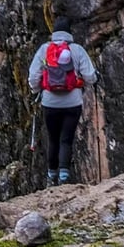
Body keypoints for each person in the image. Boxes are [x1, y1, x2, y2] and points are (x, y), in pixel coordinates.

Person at [28, 16, 98, 185]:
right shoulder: (77, 50)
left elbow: (33, 76)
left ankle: (51, 176)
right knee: (66, 139)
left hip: (50, 103)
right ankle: (64, 176)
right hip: (73, 103)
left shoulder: (45, 49)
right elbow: (89, 76)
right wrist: (92, 80)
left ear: (54, 33)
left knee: (53, 139)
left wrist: (36, 91)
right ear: (69, 33)